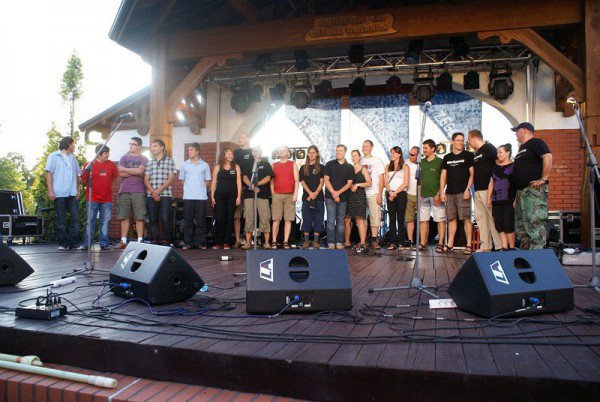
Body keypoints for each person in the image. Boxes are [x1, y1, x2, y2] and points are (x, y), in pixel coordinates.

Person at [511, 122, 553, 249]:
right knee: (521, 226)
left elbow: (548, 156)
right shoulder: (521, 148)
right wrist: (516, 196)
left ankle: (537, 255)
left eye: (517, 131)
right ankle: (526, 255)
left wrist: (544, 178)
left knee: (535, 223)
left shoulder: (536, 142)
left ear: (524, 130)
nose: (515, 134)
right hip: (521, 192)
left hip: (533, 191)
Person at [440, 132, 474, 254]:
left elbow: (472, 174)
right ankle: (450, 245)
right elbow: (443, 175)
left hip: (463, 192)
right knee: (451, 218)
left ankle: (468, 245)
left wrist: (468, 189)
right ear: (452, 142)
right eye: (458, 140)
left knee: (466, 218)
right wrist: (441, 191)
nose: (461, 142)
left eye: (462, 140)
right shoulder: (447, 157)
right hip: (449, 192)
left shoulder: (468, 155)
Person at [80, 144, 119, 251]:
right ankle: (87, 244)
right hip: (92, 198)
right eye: (106, 153)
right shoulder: (90, 165)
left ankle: (104, 243)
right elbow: (82, 179)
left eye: (108, 153)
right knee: (90, 221)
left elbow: (115, 177)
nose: (108, 155)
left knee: (105, 221)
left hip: (107, 199)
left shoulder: (111, 165)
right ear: (99, 154)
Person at [45, 136, 81, 250]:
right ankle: (62, 243)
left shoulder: (73, 158)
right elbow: (48, 173)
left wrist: (78, 189)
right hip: (59, 192)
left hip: (72, 192)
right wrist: (50, 191)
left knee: (75, 218)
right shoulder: (54, 156)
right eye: (73, 144)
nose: (74, 146)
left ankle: (73, 243)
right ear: (68, 144)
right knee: (61, 219)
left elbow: (77, 175)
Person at [468, 129, 501, 252]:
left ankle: (499, 246)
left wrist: (495, 187)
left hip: (488, 189)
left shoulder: (489, 148)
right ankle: (485, 245)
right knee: (480, 218)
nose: (469, 143)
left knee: (492, 217)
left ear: (474, 138)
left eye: (469, 140)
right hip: (477, 189)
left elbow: (498, 164)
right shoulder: (476, 153)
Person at [116, 136, 148, 249]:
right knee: (124, 216)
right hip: (124, 190)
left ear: (139, 146)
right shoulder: (124, 157)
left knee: (139, 217)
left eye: (134, 144)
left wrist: (126, 169)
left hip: (139, 191)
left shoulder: (144, 158)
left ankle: (140, 241)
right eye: (130, 144)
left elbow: (140, 171)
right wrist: (136, 172)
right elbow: (120, 173)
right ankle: (123, 241)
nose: (131, 146)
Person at [144, 139, 177, 246]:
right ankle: (154, 239)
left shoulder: (170, 161)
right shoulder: (149, 162)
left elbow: (171, 178)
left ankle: (166, 239)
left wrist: (158, 190)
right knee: (153, 218)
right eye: (152, 146)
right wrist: (153, 192)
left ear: (162, 147)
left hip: (166, 194)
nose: (153, 148)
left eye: (155, 146)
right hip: (151, 195)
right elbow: (146, 179)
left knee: (165, 218)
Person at [179, 143, 212, 249]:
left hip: (201, 197)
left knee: (201, 221)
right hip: (188, 197)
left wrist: (200, 189)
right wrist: (189, 189)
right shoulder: (184, 165)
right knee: (188, 220)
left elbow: (208, 180)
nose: (189, 152)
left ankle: (200, 243)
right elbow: (182, 180)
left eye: (191, 150)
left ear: (197, 151)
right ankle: (188, 243)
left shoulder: (205, 165)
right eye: (188, 150)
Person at [324, 145, 354, 250]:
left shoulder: (349, 167)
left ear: (345, 152)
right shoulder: (329, 164)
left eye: (340, 150)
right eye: (337, 150)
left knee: (341, 221)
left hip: (343, 197)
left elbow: (349, 183)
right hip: (329, 196)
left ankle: (339, 242)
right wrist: (334, 193)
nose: (338, 152)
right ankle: (331, 242)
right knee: (331, 220)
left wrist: (338, 193)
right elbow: (326, 180)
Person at [211, 147, 242, 249]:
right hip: (219, 196)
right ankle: (218, 242)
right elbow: (214, 182)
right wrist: (212, 196)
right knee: (220, 218)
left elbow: (239, 182)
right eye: (229, 154)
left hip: (232, 196)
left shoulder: (236, 167)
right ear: (223, 155)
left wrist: (238, 196)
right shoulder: (217, 167)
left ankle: (226, 243)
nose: (231, 156)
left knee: (229, 218)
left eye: (232, 154)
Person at [242, 148, 273, 250]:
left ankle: (267, 243)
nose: (257, 152)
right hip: (249, 195)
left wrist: (256, 185)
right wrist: (251, 186)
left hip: (262, 195)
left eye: (259, 151)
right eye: (255, 151)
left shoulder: (266, 164)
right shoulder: (248, 164)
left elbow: (268, 178)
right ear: (252, 153)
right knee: (249, 218)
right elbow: (245, 177)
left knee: (265, 218)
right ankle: (248, 243)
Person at [488, 144, 516, 250]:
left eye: (500, 152)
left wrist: (516, 198)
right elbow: (491, 183)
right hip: (496, 200)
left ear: (507, 153)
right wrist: (489, 198)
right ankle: (504, 247)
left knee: (508, 224)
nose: (498, 154)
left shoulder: (513, 166)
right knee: (499, 225)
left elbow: (517, 184)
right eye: (497, 152)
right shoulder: (495, 168)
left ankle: (512, 247)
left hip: (509, 200)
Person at [270, 146, 299, 249]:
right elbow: (271, 180)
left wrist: (295, 194)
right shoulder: (274, 165)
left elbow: (297, 180)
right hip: (277, 195)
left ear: (288, 153)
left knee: (288, 219)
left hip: (290, 195)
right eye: (280, 150)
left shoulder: (293, 164)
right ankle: (274, 241)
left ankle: (285, 241)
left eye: (284, 150)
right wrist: (273, 192)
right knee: (276, 219)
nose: (282, 151)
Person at [419, 139, 446, 252]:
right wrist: (420, 193)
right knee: (423, 220)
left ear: (433, 149)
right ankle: (423, 243)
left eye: (426, 148)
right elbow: (420, 179)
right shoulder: (421, 162)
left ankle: (440, 243)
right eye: (423, 148)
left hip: (436, 195)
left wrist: (439, 193)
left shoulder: (440, 161)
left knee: (440, 220)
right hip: (423, 195)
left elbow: (444, 179)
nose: (424, 150)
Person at [344, 150, 371, 252]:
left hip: (359, 196)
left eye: (356, 155)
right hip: (349, 196)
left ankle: (362, 243)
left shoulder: (363, 168)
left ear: (359, 157)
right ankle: (347, 242)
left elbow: (369, 183)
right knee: (347, 219)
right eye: (352, 156)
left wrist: (358, 185)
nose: (354, 157)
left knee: (359, 219)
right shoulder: (349, 169)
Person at [299, 145, 325, 250]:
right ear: (307, 154)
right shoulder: (303, 167)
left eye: (314, 152)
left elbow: (322, 181)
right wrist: (310, 193)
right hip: (307, 197)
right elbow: (302, 182)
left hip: (319, 198)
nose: (312, 154)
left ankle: (315, 242)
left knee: (318, 219)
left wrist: (315, 193)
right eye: (310, 152)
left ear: (317, 154)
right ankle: (306, 242)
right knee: (307, 219)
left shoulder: (321, 167)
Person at [361, 140, 386, 249]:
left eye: (367, 146)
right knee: (362, 218)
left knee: (374, 217)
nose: (364, 148)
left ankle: (374, 240)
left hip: (374, 193)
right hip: (361, 194)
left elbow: (381, 180)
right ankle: (363, 240)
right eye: (363, 146)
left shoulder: (377, 161)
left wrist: (380, 194)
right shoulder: (359, 160)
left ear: (371, 147)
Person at [385, 146, 409, 250]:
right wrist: (390, 192)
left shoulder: (405, 166)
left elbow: (406, 183)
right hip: (390, 193)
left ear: (399, 154)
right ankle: (393, 242)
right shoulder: (388, 166)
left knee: (400, 218)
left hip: (401, 194)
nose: (392, 155)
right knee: (392, 218)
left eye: (394, 153)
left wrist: (395, 193)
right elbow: (386, 182)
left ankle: (401, 243)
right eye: (391, 153)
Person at [233, 132, 253, 248]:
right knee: (237, 215)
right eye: (239, 137)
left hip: (249, 187)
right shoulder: (236, 152)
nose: (240, 139)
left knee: (248, 215)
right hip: (237, 187)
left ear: (248, 139)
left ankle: (249, 240)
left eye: (242, 137)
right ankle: (237, 240)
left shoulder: (252, 152)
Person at [404, 146, 419, 249]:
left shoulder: (422, 164)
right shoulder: (405, 163)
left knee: (423, 220)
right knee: (409, 219)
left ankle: (423, 242)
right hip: (409, 194)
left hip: (420, 194)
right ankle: (410, 241)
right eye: (409, 154)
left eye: (412, 155)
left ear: (418, 155)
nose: (410, 156)